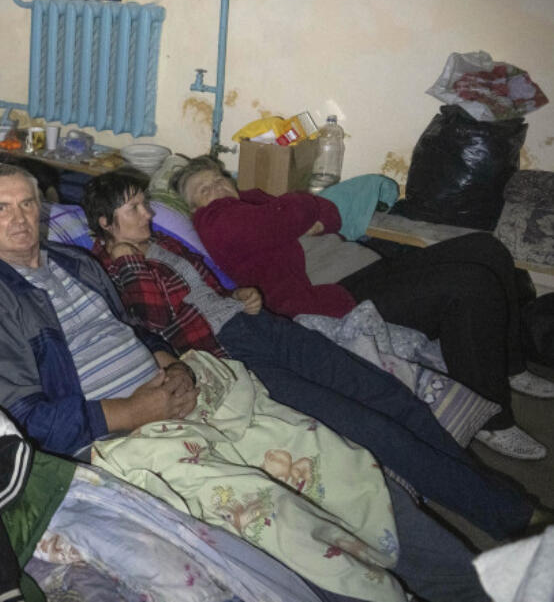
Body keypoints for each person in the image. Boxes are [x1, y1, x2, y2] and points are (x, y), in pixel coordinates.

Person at [0, 164, 490, 602]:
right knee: (276, 517)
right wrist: (133, 411)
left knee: (340, 464)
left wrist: (170, 360)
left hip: (195, 390)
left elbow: (135, 326)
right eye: (2, 208)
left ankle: (482, 587)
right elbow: (25, 420)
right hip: (127, 436)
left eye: (27, 204)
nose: (19, 218)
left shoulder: (75, 263)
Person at [82, 170, 543, 542]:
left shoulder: (161, 244)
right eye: (134, 208)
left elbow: (206, 290)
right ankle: (509, 515)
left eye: (146, 203)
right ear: (105, 222)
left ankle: (500, 495)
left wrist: (241, 294)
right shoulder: (116, 266)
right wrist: (127, 259)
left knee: (389, 395)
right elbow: (156, 324)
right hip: (233, 356)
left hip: (260, 326)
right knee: (370, 429)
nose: (148, 213)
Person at [178, 155, 554, 460]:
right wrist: (299, 211)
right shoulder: (216, 220)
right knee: (468, 285)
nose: (217, 189)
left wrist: (297, 213)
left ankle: (510, 365)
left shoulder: (251, 201)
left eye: (219, 180)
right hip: (335, 301)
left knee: (485, 248)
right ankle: (492, 419)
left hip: (364, 271)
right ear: (194, 207)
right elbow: (297, 212)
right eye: (203, 189)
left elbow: (325, 213)